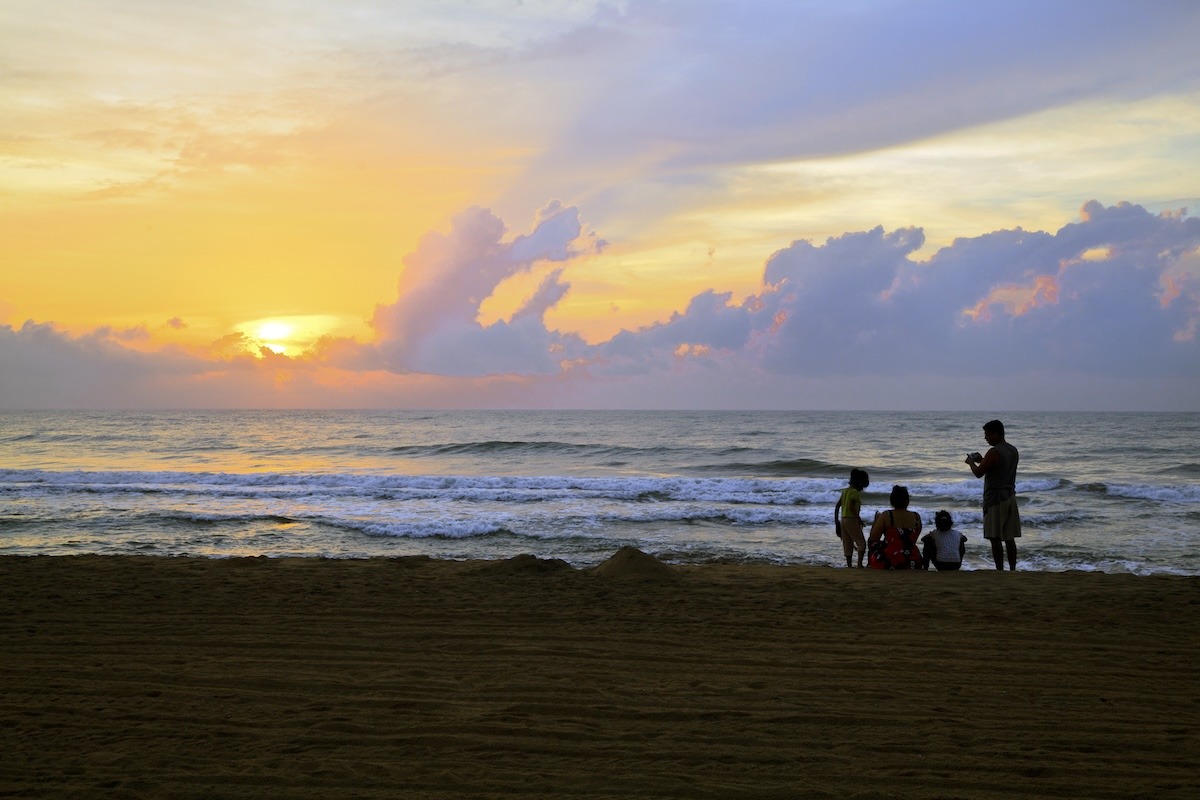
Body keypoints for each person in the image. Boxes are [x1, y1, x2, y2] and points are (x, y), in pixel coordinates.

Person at [966, 419, 1021, 571]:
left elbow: (978, 473)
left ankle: (999, 570)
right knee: (1009, 537)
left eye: (988, 434)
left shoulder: (994, 451)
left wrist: (971, 462)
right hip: (1010, 496)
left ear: (996, 434)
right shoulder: (1012, 450)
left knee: (994, 537)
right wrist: (982, 460)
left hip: (995, 499)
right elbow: (997, 468)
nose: (986, 438)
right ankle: (1012, 569)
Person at [867, 485, 923, 570]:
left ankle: (870, 565)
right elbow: (912, 540)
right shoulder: (916, 516)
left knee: (872, 543)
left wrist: (876, 521)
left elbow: (874, 537)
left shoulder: (887, 515)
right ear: (907, 500)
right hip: (912, 559)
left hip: (890, 558)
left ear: (892, 500)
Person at [833, 468, 870, 568]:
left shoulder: (845, 491)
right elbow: (851, 506)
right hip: (851, 519)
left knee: (847, 543)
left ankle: (849, 565)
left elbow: (837, 506)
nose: (862, 489)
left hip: (843, 519)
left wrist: (836, 521)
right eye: (862, 486)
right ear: (859, 482)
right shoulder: (855, 493)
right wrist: (859, 519)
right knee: (861, 542)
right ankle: (859, 564)